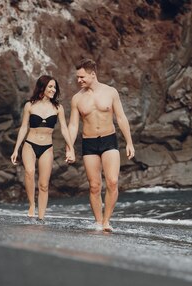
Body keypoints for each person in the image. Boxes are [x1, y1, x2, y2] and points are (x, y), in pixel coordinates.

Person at [68, 59, 135, 232]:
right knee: (94, 185)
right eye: (78, 77)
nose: (79, 80)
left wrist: (129, 142)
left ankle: (106, 221)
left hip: (109, 139)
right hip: (89, 142)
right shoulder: (77, 98)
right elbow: (74, 125)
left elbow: (121, 117)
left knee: (112, 182)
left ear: (92, 74)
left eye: (82, 77)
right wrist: (69, 147)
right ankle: (98, 222)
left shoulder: (110, 92)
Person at [11, 75, 74, 221]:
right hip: (30, 144)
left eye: (54, 87)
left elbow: (64, 128)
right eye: (50, 87)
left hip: (47, 147)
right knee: (29, 171)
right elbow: (24, 127)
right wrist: (16, 149)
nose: (53, 89)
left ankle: (41, 218)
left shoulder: (58, 108)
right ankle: (32, 204)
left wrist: (71, 148)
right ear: (42, 87)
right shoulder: (30, 105)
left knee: (44, 185)